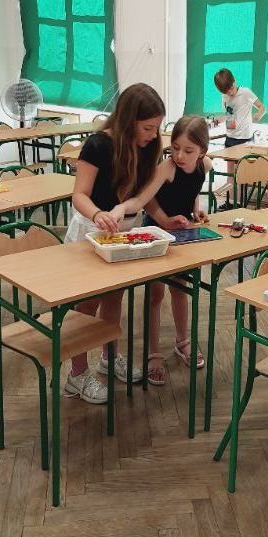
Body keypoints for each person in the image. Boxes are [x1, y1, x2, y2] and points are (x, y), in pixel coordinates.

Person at [64, 83, 170, 404]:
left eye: (157, 127)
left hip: (124, 232)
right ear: (127, 121)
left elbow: (143, 197)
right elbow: (79, 194)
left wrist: (165, 221)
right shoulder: (98, 145)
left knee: (114, 296)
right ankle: (77, 375)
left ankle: (109, 358)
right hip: (91, 230)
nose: (153, 134)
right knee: (86, 305)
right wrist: (98, 214)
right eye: (147, 127)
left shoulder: (146, 147)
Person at [143, 115, 212, 385]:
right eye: (175, 148)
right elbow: (146, 198)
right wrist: (163, 220)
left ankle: (182, 342)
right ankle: (153, 353)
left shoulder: (205, 165)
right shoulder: (167, 168)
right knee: (155, 294)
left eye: (188, 150)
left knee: (180, 289)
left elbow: (193, 188)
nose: (180, 155)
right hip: (156, 232)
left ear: (202, 152)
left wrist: (195, 210)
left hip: (181, 234)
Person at [213, 68, 266, 209]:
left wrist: (258, 115)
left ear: (234, 81)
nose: (230, 93)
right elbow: (229, 115)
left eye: (230, 88)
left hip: (243, 139)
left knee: (240, 174)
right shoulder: (225, 97)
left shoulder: (245, 92)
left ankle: (239, 204)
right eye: (226, 92)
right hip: (230, 137)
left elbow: (262, 107)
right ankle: (230, 202)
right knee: (230, 173)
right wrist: (218, 120)